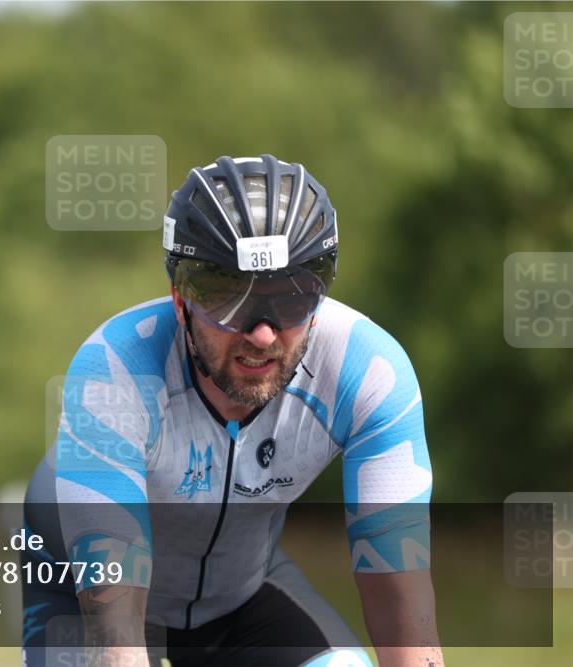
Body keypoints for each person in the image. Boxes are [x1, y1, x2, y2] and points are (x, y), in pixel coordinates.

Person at [22, 155, 443, 666]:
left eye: (291, 298)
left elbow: (402, 603)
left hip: (241, 597)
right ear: (180, 298)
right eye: (230, 299)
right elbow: (116, 636)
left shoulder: (370, 372)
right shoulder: (114, 370)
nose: (262, 333)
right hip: (85, 595)